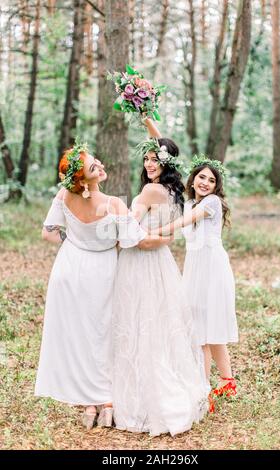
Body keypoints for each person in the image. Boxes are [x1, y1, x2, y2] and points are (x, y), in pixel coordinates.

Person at [34, 140, 169, 430]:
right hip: (102, 269)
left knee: (80, 335)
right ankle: (106, 403)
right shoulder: (113, 204)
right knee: (103, 333)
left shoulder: (64, 195)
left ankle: (88, 404)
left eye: (97, 161)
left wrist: (75, 242)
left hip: (69, 267)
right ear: (82, 179)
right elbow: (138, 241)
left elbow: (47, 234)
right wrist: (170, 234)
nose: (101, 166)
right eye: (94, 167)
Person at [112, 120, 209, 437]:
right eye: (146, 159)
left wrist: (110, 225)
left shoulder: (151, 190)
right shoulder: (174, 191)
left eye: (155, 159)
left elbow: (129, 226)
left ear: (164, 163)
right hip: (163, 263)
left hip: (140, 261)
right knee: (159, 325)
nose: (149, 163)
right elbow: (166, 238)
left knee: (141, 323)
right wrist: (145, 118)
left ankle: (146, 398)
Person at [153, 156, 238, 405]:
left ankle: (213, 386)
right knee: (201, 328)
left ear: (216, 187)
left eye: (211, 180)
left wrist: (152, 232)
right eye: (202, 177)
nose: (205, 183)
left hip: (212, 269)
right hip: (195, 268)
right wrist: (146, 119)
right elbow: (169, 163)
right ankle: (216, 383)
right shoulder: (189, 202)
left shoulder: (212, 203)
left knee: (208, 329)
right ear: (194, 178)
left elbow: (183, 223)